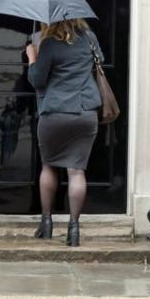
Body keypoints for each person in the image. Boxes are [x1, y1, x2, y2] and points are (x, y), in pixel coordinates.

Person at [26, 18, 104, 247]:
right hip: (84, 112)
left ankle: (47, 223)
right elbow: (101, 61)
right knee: (76, 172)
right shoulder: (89, 39)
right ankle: (74, 229)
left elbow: (37, 80)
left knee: (49, 166)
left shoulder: (48, 44)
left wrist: (32, 56)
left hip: (55, 113)